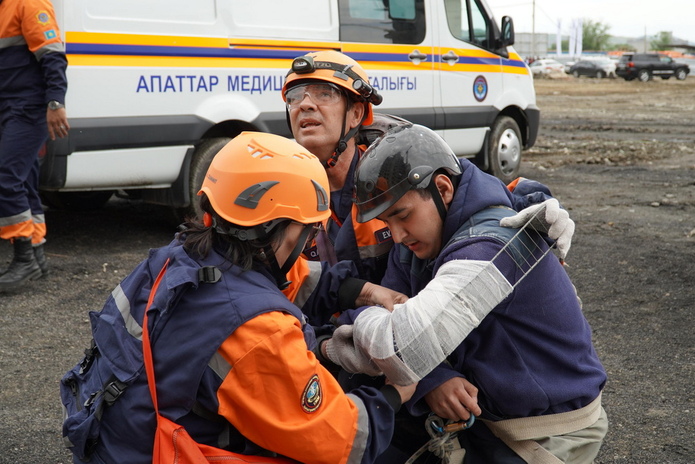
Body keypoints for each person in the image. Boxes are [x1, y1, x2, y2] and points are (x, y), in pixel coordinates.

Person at [61, 132, 415, 464]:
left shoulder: (180, 256)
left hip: (111, 438)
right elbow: (340, 441)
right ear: (277, 228)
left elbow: (293, 280)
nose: (309, 243)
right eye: (306, 230)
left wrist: (364, 292)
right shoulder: (258, 331)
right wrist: (396, 391)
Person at [324, 124, 608, 463]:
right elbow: (392, 316)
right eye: (387, 223)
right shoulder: (419, 244)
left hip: (544, 430)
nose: (397, 236)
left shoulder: (489, 250)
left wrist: (331, 338)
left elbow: (400, 347)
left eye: (402, 216)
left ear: (443, 188)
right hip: (485, 414)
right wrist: (434, 377)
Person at [281, 50, 575, 324]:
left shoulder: (398, 167)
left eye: (324, 93)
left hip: (403, 329)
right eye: (295, 96)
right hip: (329, 335)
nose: (306, 104)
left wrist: (540, 209)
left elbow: (471, 187)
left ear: (356, 113)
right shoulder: (279, 196)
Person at [0, 0, 69, 291]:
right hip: (8, 107)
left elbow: (52, 56)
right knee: (25, 179)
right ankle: (38, 255)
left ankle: (23, 256)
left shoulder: (27, 3)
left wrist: (55, 102)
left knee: (5, 177)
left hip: (28, 108)